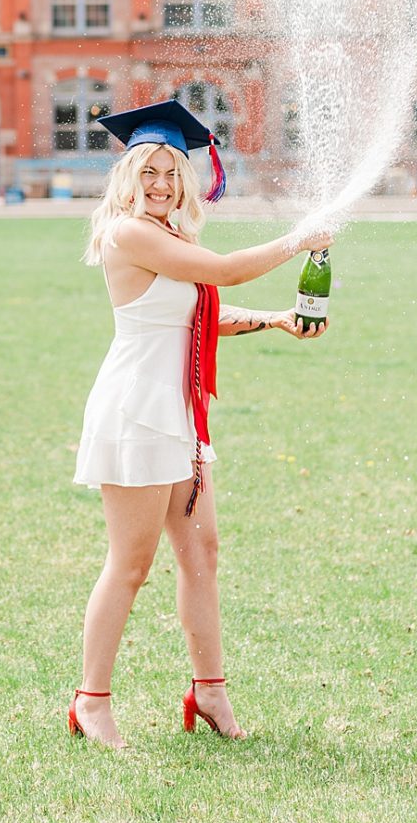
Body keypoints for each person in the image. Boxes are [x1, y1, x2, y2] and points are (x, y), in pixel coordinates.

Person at [70, 99, 334, 748]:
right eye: (149, 173)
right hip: (135, 414)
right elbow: (220, 271)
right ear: (128, 179)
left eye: (171, 173)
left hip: (177, 414)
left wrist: (273, 318)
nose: (160, 184)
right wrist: (297, 240)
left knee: (201, 554)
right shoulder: (130, 233)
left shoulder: (172, 238)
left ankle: (208, 691)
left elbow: (196, 311)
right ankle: (90, 702)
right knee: (131, 564)